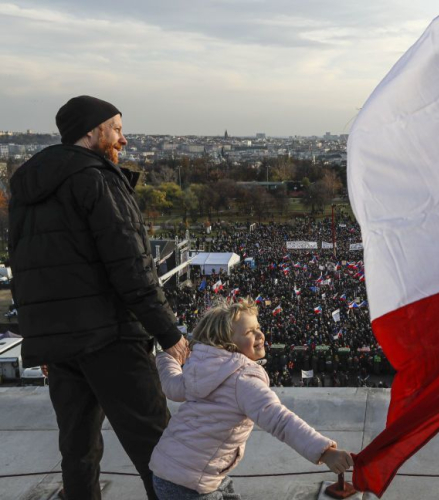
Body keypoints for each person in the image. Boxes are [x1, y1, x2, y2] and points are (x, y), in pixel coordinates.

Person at [8, 95, 190, 500]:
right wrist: (169, 334)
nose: (123, 140)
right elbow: (132, 266)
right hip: (110, 336)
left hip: (60, 344)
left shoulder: (26, 189)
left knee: (78, 452)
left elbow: (24, 271)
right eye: (117, 128)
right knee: (161, 452)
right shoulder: (98, 179)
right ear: (91, 132)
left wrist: (44, 343)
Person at [150, 298, 353, 499]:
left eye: (258, 328)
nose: (260, 335)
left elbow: (172, 386)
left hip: (165, 471)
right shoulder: (242, 379)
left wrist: (165, 357)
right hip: (193, 484)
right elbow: (281, 421)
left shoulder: (199, 368)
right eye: (249, 332)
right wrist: (325, 452)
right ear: (226, 342)